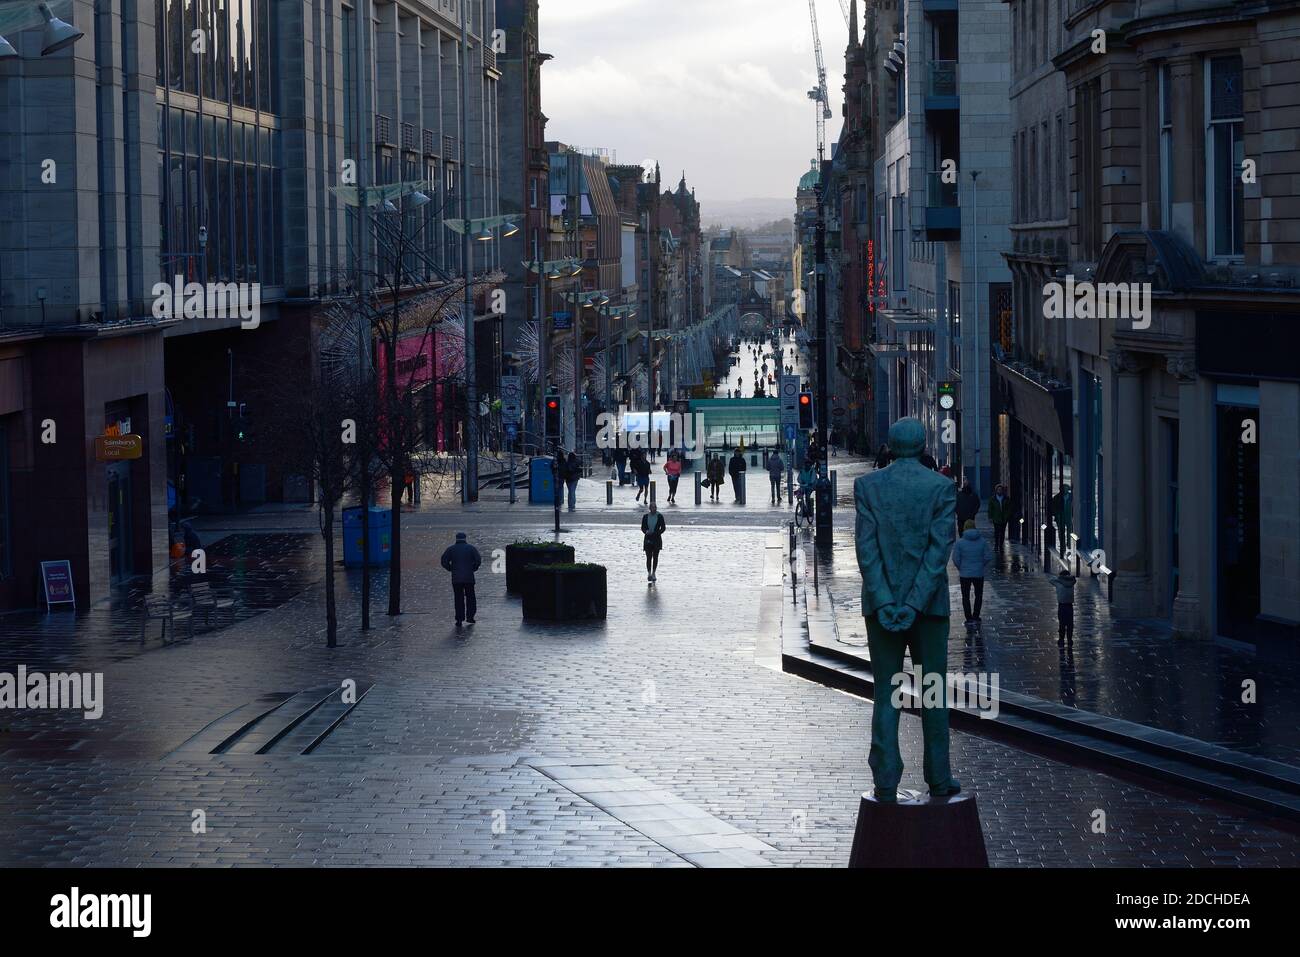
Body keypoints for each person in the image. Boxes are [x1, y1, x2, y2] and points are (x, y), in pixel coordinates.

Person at [853, 417, 961, 801]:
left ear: (890, 445)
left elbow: (866, 551)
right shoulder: (941, 487)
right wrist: (914, 603)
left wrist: (885, 601)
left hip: (881, 607)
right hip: (928, 609)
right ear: (923, 445)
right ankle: (938, 774)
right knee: (933, 691)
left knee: (887, 692)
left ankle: (885, 776)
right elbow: (938, 552)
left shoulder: (868, 486)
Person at [951, 520, 993, 624]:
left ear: (964, 528)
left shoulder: (959, 543)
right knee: (978, 595)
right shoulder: (982, 541)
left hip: (965, 574)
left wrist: (961, 567)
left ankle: (968, 617)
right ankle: (976, 615)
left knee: (965, 596)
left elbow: (955, 558)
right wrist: (980, 565)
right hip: (978, 573)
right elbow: (988, 556)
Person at [440, 532, 482, 628]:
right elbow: (478, 560)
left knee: (458, 598)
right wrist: (473, 568)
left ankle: (459, 619)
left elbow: (444, 561)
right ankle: (470, 616)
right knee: (470, 597)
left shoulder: (451, 549)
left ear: (456, 538)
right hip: (469, 578)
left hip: (456, 578)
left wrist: (450, 568)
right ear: (465, 538)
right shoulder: (471, 548)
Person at [642, 502, 666, 583]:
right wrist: (646, 531)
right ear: (649, 508)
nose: (654, 509)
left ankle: (654, 573)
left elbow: (663, 528)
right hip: (648, 538)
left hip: (656, 539)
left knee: (655, 557)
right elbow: (643, 527)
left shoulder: (659, 516)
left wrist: (657, 533)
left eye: (655, 507)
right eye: (652, 507)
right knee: (648, 557)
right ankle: (649, 573)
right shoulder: (645, 517)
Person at [1052, 569, 1077, 643]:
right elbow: (1073, 579)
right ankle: (1070, 639)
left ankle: (1061, 639)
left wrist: (1060, 579)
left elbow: (1050, 580)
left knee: (1062, 623)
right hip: (1070, 606)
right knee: (1070, 624)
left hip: (1062, 606)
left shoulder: (1058, 583)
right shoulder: (1072, 582)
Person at [988, 484, 1013, 551]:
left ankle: (1001, 545)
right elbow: (990, 509)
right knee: (996, 532)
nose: (999, 491)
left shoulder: (1006, 498)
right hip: (996, 518)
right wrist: (990, 517)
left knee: (1002, 533)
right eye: (998, 490)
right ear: (996, 491)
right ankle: (996, 545)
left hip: (1004, 519)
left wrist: (1007, 516)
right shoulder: (993, 499)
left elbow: (1009, 508)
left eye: (1001, 490)